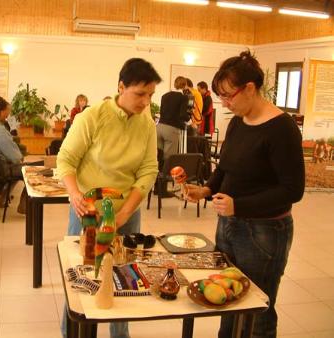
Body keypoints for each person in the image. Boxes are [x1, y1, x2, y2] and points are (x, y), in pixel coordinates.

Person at [186, 50, 305, 338]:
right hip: (229, 224)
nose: (225, 103)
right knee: (226, 298)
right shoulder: (239, 120)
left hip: (264, 231)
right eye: (221, 97)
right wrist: (206, 189)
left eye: (228, 95)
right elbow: (225, 167)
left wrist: (239, 205)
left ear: (250, 88)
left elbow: (293, 190)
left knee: (257, 309)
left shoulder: (282, 128)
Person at [57, 58, 161, 338]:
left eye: (150, 95)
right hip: (88, 212)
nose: (145, 101)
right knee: (82, 278)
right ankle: (73, 332)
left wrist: (126, 213)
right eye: (140, 94)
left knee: (123, 278)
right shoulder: (92, 117)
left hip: (126, 211)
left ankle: (120, 334)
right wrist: (75, 194)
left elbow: (148, 170)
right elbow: (65, 159)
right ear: (121, 87)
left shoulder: (147, 123)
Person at [157, 76, 190, 160]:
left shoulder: (164, 96)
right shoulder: (183, 97)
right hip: (171, 130)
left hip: (159, 127)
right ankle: (166, 173)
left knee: (158, 156)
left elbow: (161, 112)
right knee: (169, 158)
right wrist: (190, 120)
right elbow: (183, 115)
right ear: (185, 85)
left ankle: (158, 173)